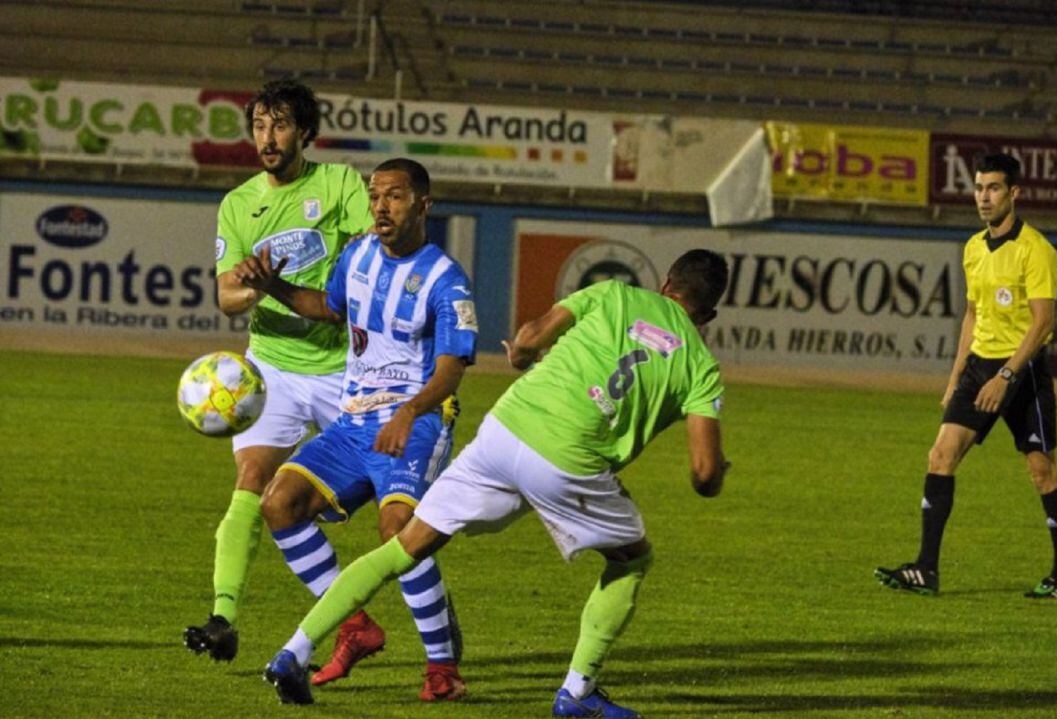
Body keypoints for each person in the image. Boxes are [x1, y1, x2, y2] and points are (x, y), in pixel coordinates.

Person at [259, 249, 732, 717]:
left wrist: (523, 355)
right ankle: (578, 691)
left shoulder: (613, 293)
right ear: (708, 313)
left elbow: (528, 339)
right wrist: (717, 476)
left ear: (666, 284)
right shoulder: (701, 369)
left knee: (407, 545)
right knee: (631, 560)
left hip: (505, 429)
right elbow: (704, 473)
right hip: (569, 460)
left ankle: (294, 652)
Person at [235, 157, 476, 701]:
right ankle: (355, 625)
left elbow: (452, 368)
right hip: (353, 422)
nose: (381, 207)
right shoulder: (358, 254)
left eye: (394, 197)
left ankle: (443, 669)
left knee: (398, 531)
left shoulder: (446, 279)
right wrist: (271, 284)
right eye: (374, 197)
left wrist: (410, 412)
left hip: (416, 421)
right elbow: (329, 307)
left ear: (423, 205)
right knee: (279, 503)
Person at [184, 79, 387, 665]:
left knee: (400, 508)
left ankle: (438, 638)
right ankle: (225, 617)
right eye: (260, 127)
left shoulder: (340, 184)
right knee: (251, 483)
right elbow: (224, 298)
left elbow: (367, 255)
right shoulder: (238, 203)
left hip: (347, 368)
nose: (268, 139)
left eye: (280, 126)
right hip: (273, 367)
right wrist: (250, 287)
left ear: (304, 131)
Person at [876, 152, 1057, 599]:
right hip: (980, 367)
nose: (984, 197)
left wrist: (1005, 376)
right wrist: (956, 376)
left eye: (994, 188)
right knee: (940, 456)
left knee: (1042, 472)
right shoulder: (972, 247)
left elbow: (1042, 322)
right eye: (980, 188)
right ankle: (926, 569)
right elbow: (971, 315)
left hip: (1022, 371)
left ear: (1014, 193)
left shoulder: (1036, 250)